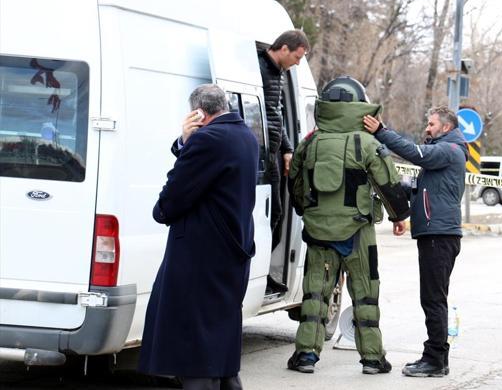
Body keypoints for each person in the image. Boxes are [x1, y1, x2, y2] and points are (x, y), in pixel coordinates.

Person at [287, 76, 410, 375]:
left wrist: (309, 212)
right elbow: (388, 184)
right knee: (365, 293)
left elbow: (295, 184)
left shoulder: (310, 142)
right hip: (358, 233)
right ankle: (372, 359)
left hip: (318, 233)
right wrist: (399, 217)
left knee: (315, 293)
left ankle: (305, 355)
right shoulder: (367, 143)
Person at [138, 84, 259, 390]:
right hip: (231, 250)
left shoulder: (208, 139)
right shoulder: (245, 135)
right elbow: (206, 170)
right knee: (220, 338)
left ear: (198, 113)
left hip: (200, 254)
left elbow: (175, 194)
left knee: (194, 343)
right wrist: (185, 143)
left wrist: (188, 141)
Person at [363, 105, 468, 378]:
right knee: (433, 298)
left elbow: (415, 153)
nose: (427, 128)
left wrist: (381, 132)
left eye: (432, 124)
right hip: (435, 235)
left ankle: (434, 360)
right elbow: (422, 190)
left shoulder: (449, 150)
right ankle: (436, 358)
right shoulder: (445, 153)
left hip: (439, 236)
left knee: (433, 299)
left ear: (445, 127)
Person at [258, 29, 310, 253]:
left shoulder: (277, 72)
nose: (298, 64)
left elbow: (276, 113)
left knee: (276, 213)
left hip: (274, 153)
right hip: (260, 154)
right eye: (297, 57)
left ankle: (263, 271)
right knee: (270, 214)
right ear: (284, 48)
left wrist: (287, 149)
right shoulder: (259, 68)